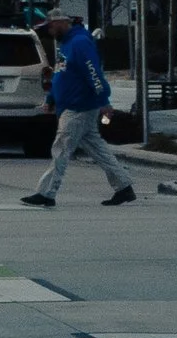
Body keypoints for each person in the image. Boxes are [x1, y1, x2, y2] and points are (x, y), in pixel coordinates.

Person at [24, 13, 138, 208]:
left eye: (51, 27)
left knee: (61, 149)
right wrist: (52, 98)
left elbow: (93, 73)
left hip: (79, 107)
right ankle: (124, 186)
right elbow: (62, 74)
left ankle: (46, 193)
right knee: (98, 149)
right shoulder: (67, 45)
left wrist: (104, 100)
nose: (50, 32)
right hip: (73, 106)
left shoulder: (79, 43)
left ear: (61, 23)